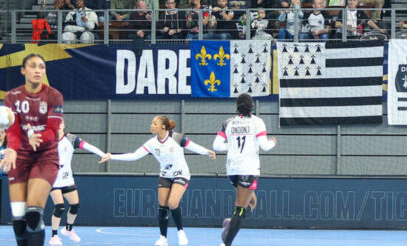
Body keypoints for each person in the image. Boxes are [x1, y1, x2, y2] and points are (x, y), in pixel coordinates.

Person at [102, 115, 216, 246]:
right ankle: (163, 238)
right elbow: (134, 156)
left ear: (163, 126)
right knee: (163, 206)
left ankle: (181, 232)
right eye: (152, 123)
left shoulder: (177, 137)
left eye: (154, 123)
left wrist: (207, 152)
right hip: (165, 175)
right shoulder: (151, 143)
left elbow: (193, 146)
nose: (151, 125)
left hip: (181, 174)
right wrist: (112, 156)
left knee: (172, 203)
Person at [2, 54, 64, 246]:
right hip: (19, 158)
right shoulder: (11, 97)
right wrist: (11, 149)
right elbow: (12, 128)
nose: (38, 70)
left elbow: (54, 130)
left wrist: (38, 137)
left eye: (42, 67)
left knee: (33, 214)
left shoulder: (54, 95)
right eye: (33, 66)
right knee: (19, 219)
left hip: (45, 157)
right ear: (23, 70)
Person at [213, 93, 277, 246]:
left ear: (237, 106)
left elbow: (216, 146)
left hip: (232, 169)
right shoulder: (257, 122)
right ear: (252, 106)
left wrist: (231, 146)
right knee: (240, 208)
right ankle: (226, 243)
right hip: (248, 169)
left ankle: (232, 222)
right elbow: (265, 146)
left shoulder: (228, 122)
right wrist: (274, 141)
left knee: (252, 201)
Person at [47, 122, 106, 245]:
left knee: (75, 205)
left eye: (60, 122)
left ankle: (68, 229)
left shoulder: (71, 139)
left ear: (64, 125)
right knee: (60, 207)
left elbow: (88, 146)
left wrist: (102, 154)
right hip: (53, 180)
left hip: (67, 179)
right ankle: (54, 236)